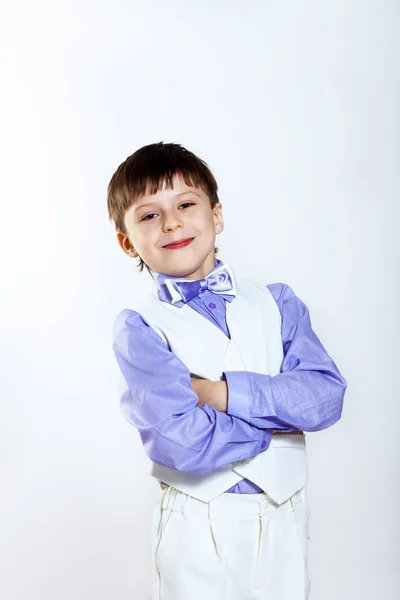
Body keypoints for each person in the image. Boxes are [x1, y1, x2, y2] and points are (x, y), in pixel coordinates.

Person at [107, 142, 347, 600]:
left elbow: (325, 397)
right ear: (127, 241)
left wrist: (221, 395)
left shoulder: (278, 303)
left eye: (185, 204)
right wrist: (281, 418)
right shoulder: (140, 327)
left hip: (285, 513)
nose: (172, 222)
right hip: (198, 524)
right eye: (149, 215)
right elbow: (184, 442)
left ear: (216, 216)